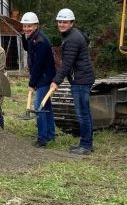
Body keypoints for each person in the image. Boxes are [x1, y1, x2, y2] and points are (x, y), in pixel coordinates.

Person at [50, 8, 95, 155]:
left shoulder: (72, 39)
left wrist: (56, 81)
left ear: (71, 23)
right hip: (83, 78)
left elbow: (67, 64)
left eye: (65, 22)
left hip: (81, 80)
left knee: (82, 113)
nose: (61, 24)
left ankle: (85, 146)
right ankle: (87, 143)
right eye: (60, 22)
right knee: (85, 112)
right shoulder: (74, 35)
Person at [20, 12, 56, 147]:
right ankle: (50, 135)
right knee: (46, 107)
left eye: (29, 26)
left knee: (39, 107)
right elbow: (26, 48)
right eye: (25, 26)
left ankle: (42, 139)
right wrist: (23, 36)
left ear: (36, 26)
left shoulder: (41, 41)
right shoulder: (32, 38)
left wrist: (32, 83)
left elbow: (38, 65)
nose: (27, 28)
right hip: (43, 76)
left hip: (44, 77)